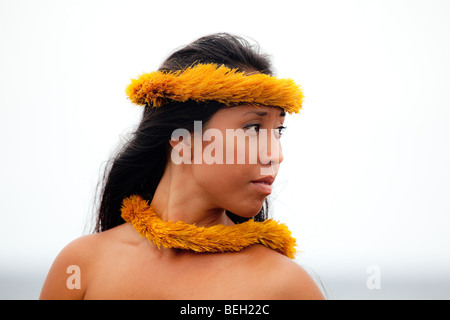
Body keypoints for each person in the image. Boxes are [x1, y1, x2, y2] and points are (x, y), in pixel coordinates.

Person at [40, 33, 325, 300]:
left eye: (278, 131)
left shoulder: (286, 287)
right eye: (253, 127)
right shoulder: (81, 267)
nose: (275, 154)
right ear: (182, 137)